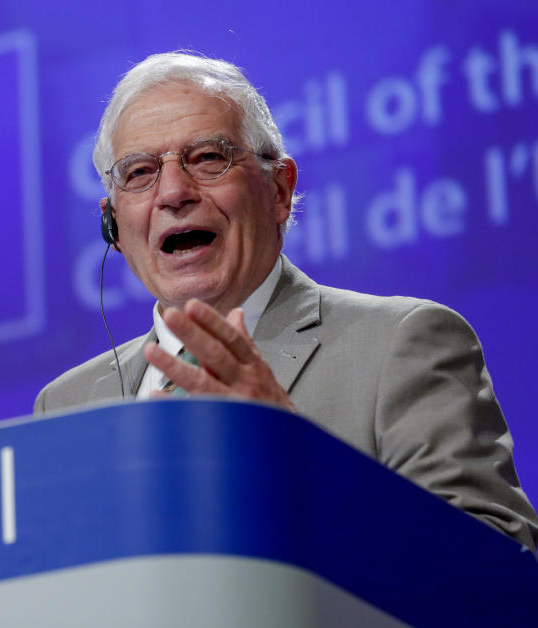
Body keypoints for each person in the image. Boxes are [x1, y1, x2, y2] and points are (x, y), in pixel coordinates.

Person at [35, 52, 538, 551]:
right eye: (140, 172)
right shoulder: (65, 406)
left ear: (278, 189)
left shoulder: (402, 346)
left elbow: (500, 577)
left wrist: (297, 462)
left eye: (208, 158)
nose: (172, 192)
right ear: (113, 225)